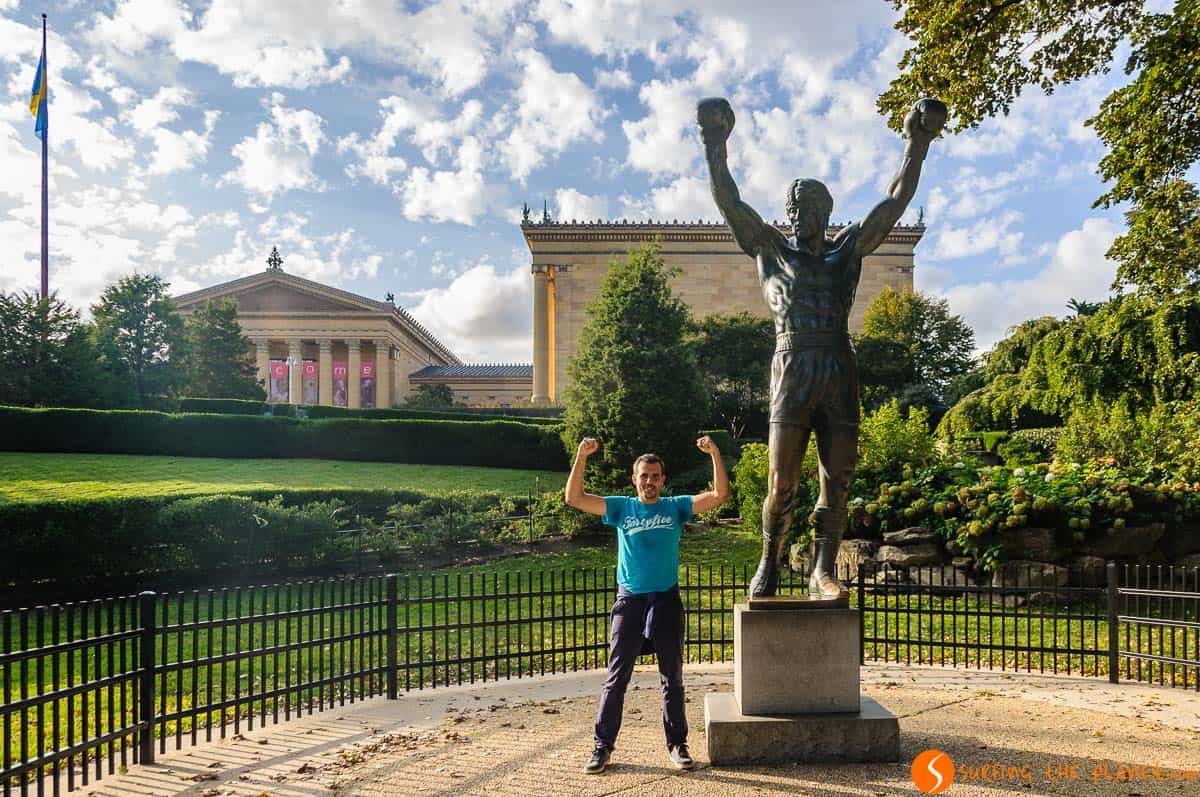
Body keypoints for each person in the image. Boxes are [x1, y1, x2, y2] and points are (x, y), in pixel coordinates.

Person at [698, 95, 946, 600]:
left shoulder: (846, 250)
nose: (794, 216)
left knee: (838, 480)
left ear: (824, 212)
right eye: (791, 208)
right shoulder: (770, 248)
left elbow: (894, 202)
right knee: (781, 482)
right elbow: (729, 201)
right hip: (791, 365)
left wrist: (916, 144)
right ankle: (768, 562)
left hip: (838, 363)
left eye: (804, 209)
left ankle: (822, 570)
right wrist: (715, 144)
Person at [565, 435, 730, 774]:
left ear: (662, 480)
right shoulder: (622, 507)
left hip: (666, 599)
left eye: (655, 476)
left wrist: (715, 453)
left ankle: (678, 744)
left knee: (672, 676)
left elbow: (719, 496)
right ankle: (602, 747)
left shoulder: (675, 507)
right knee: (617, 676)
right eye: (644, 476)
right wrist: (582, 455)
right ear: (634, 479)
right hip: (630, 600)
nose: (650, 482)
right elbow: (574, 498)